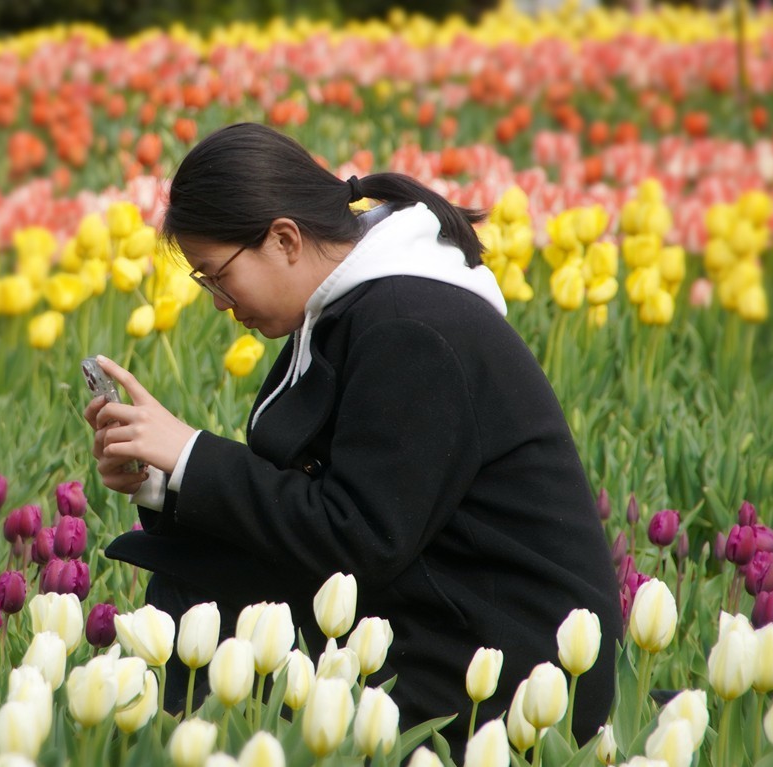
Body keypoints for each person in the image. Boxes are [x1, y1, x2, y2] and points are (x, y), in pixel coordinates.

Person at [84, 122, 621, 750]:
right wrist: (166, 478)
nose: (219, 303)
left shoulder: (412, 328)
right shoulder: (352, 312)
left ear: (284, 238)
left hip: (504, 668)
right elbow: (316, 511)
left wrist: (192, 457)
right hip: (433, 613)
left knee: (208, 626)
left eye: (216, 275)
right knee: (196, 605)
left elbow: (358, 538)